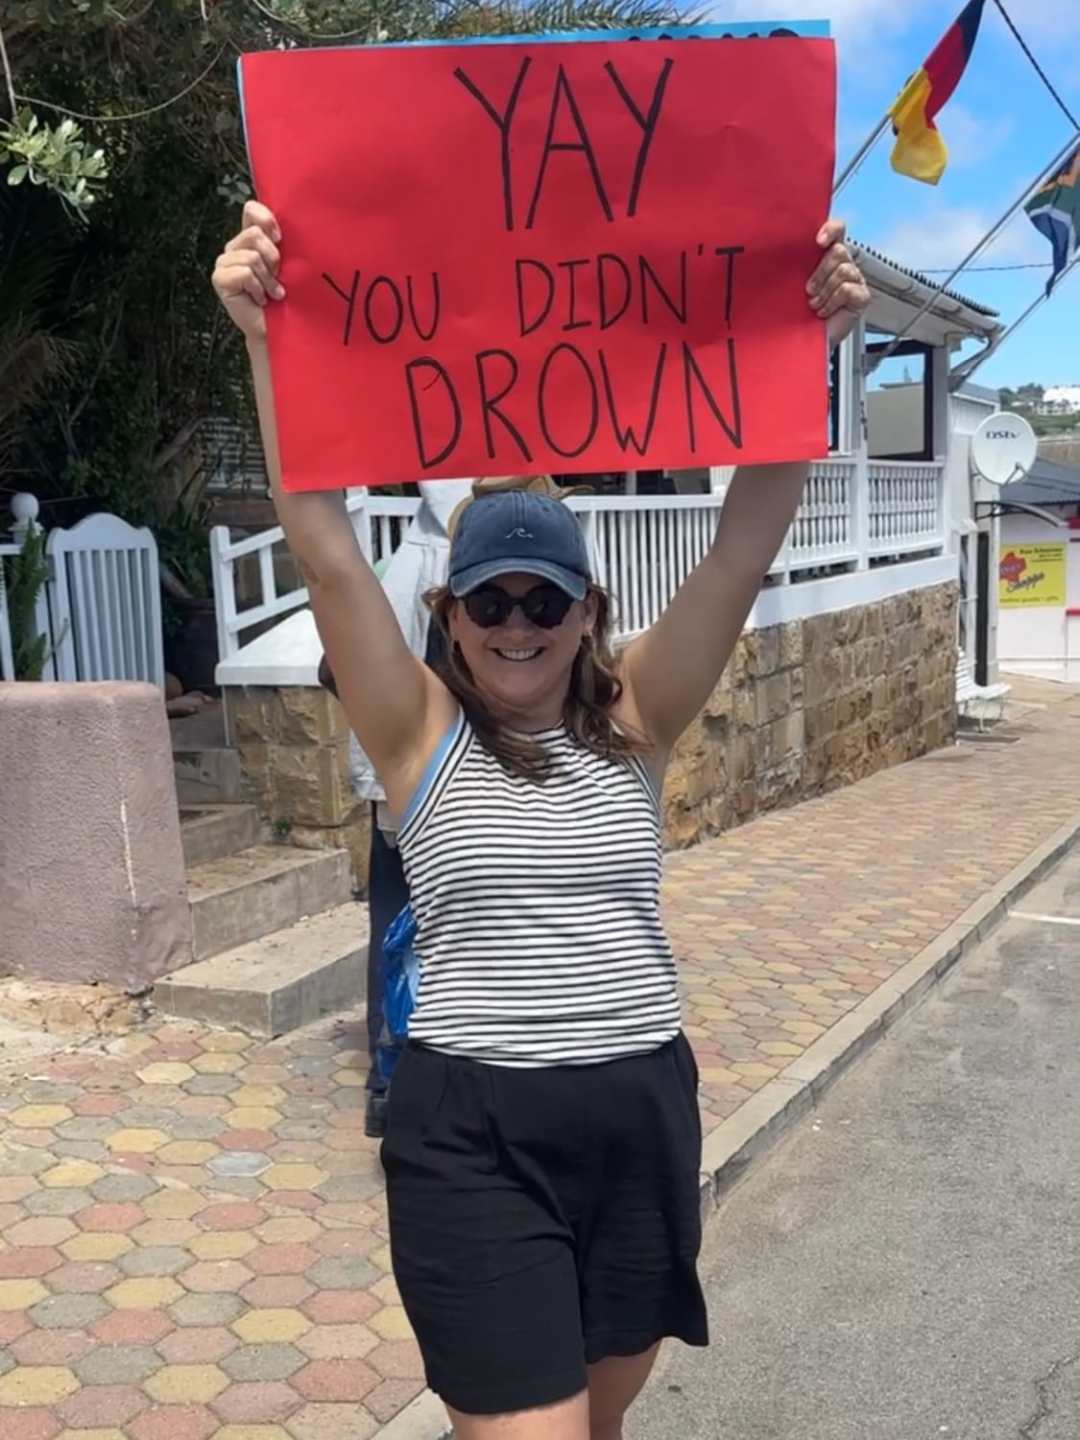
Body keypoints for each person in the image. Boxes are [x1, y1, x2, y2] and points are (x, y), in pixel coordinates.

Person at [213, 201, 869, 1440]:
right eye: (491, 600)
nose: (517, 623)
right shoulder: (416, 734)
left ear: (585, 609)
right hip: (473, 1137)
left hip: (637, 1121)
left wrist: (814, 341)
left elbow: (742, 542)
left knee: (599, 1425)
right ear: (451, 614)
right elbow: (323, 540)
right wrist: (266, 337)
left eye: (544, 599)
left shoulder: (635, 719)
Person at [319, 475, 596, 1139]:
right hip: (423, 781)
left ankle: (398, 1075)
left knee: (415, 926)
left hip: (430, 775)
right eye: (492, 608)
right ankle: (393, 1077)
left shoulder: (441, 556)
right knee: (408, 933)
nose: (517, 619)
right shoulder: (430, 562)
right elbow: (342, 662)